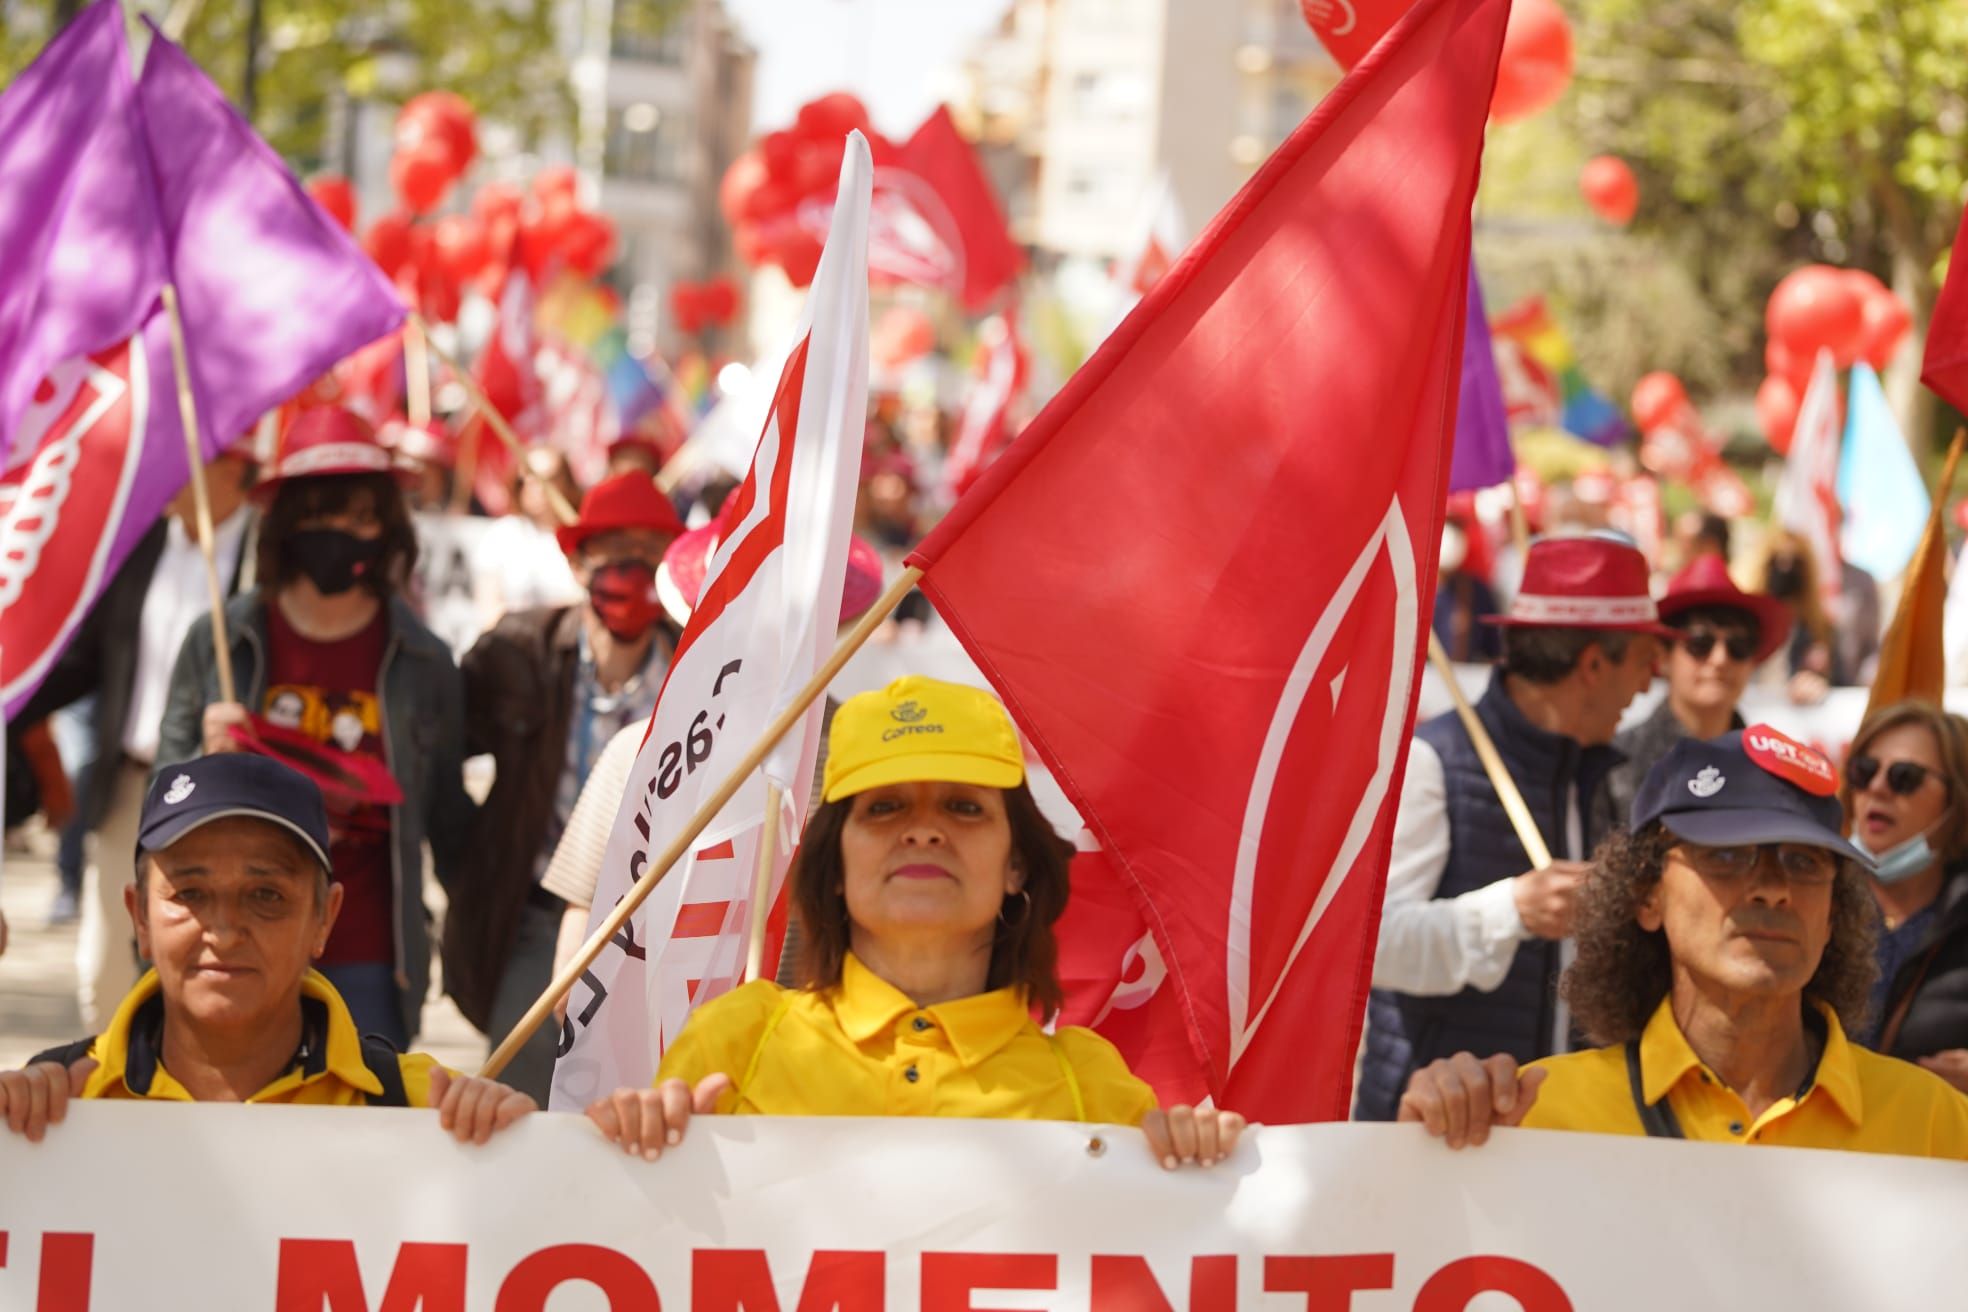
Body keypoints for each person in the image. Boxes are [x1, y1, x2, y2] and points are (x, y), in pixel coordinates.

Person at [582, 676, 1245, 1168]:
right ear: (834, 866)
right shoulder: (739, 1038)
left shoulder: (1091, 1084)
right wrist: (627, 1150)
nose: (925, 832)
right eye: (886, 808)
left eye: (963, 807)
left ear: (1016, 865)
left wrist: (1199, 1176)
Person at [1398, 727, 1968, 1156]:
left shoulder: (1936, 1123)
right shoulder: (1532, 1114)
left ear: (1832, 916)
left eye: (1803, 861)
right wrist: (1427, 1143)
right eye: (1725, 855)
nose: (1773, 889)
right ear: (1648, 896)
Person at [0, 754, 529, 1141]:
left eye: (266, 895)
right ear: (139, 914)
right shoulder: (56, 1104)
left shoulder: (422, 1108)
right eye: (190, 894)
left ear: (325, 918)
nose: (225, 931)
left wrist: (517, 1148)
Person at [155, 405, 474, 1048]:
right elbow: (160, 804)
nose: (342, 531)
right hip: (234, 944)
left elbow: (446, 815)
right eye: (322, 511)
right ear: (287, 523)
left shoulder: (425, 662)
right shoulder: (224, 640)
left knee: (356, 1138)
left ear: (389, 526)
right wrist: (202, 761)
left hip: (370, 958)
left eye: (362, 515)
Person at [1356, 535, 1669, 1121]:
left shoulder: (1602, 775)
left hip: (1548, 1132)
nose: (1650, 685)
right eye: (1644, 661)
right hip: (1433, 1133)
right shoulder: (1435, 760)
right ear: (1594, 665)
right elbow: (1372, 947)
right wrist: (1513, 912)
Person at [448, 471, 684, 1100]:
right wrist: (466, 865)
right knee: (520, 1088)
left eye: (651, 552)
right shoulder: (517, 650)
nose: (633, 570)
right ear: (578, 563)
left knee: (637, 1095)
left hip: (653, 926)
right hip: (534, 912)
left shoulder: (698, 671)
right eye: (615, 551)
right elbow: (438, 748)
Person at [14, 444, 258, 1029]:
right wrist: (15, 696)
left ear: (232, 466)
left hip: (224, 799)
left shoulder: (267, 559)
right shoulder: (141, 548)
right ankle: (115, 1097)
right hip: (132, 787)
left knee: (207, 970)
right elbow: (89, 657)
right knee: (107, 968)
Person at [1841, 701, 1968, 1092]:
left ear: (1956, 798)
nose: (1877, 787)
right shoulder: (1811, 897)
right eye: (1864, 770)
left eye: (1904, 777)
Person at [1607, 554, 1791, 820]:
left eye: (1738, 646)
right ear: (1663, 656)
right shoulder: (1616, 763)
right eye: (1700, 642)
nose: (1720, 659)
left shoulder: (1773, 770)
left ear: (1752, 661)